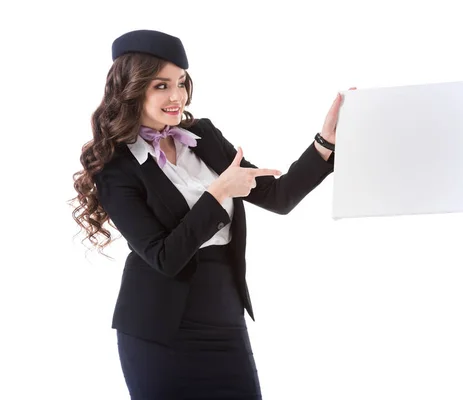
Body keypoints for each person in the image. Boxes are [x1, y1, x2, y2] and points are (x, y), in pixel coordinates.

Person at [71, 29, 350, 399]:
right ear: (131, 88)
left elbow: (279, 197)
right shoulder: (116, 167)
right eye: (161, 86)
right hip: (157, 328)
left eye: (182, 83)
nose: (177, 96)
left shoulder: (202, 136)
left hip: (223, 314)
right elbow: (164, 258)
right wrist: (218, 193)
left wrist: (325, 142)